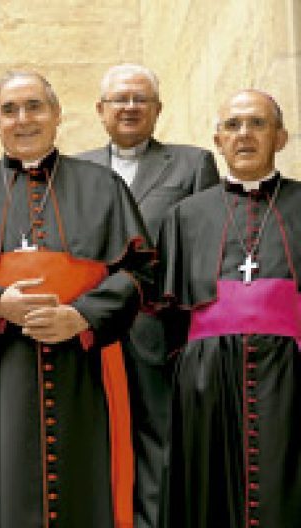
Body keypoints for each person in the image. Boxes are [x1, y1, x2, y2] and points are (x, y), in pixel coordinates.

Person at [0, 71, 154, 528]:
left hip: (85, 370)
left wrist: (82, 315)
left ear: (56, 115)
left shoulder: (104, 186)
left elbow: (141, 273)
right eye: (9, 110)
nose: (23, 119)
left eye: (34, 106)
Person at [76, 63, 220, 528]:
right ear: (101, 110)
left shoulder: (192, 164)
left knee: (158, 439)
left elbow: (206, 243)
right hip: (89, 329)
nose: (130, 107)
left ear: (158, 109)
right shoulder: (78, 170)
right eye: (120, 99)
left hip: (157, 329)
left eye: (141, 99)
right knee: (95, 436)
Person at [157, 90, 301, 528]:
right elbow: (169, 319)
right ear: (217, 140)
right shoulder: (184, 216)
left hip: (290, 378)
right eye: (233, 125)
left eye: (257, 124)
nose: (244, 134)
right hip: (205, 384)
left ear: (280, 137)